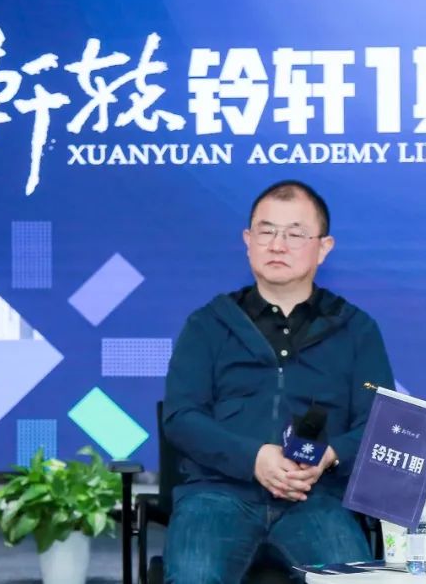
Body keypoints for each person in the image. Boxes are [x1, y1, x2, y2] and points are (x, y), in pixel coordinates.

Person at [162, 179, 394, 583]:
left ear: (324, 247)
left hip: (317, 499)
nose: (277, 245)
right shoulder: (209, 324)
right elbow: (181, 417)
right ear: (248, 241)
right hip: (217, 496)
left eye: (295, 234)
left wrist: (330, 455)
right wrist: (254, 457)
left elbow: (381, 424)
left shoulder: (355, 329)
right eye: (266, 231)